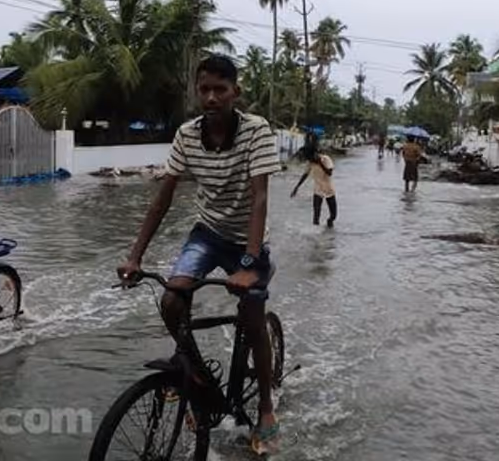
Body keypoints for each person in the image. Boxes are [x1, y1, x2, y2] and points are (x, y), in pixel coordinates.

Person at [116, 55, 283, 455]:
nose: (211, 97)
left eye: (220, 90)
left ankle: (264, 408)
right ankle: (200, 380)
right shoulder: (187, 134)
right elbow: (164, 197)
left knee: (252, 314)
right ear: (197, 91)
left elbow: (260, 198)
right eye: (204, 89)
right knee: (172, 299)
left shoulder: (256, 131)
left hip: (249, 240)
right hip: (206, 233)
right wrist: (135, 256)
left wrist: (247, 263)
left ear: (235, 93)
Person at [291, 134, 337, 227]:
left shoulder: (326, 159)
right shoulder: (310, 163)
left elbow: (329, 173)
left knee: (333, 215)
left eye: (311, 158)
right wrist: (297, 187)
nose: (310, 160)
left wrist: (320, 163)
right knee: (316, 216)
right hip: (318, 190)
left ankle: (329, 222)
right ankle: (316, 238)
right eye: (309, 159)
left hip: (329, 190)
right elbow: (305, 175)